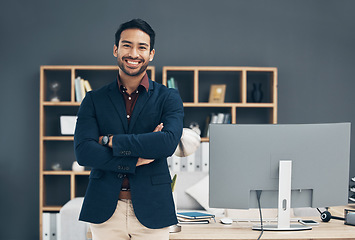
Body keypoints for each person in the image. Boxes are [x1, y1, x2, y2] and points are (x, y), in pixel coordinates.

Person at [74, 18, 184, 240]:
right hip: (105, 210)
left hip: (153, 209)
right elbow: (84, 152)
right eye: (127, 45)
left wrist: (110, 141)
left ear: (151, 54)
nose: (134, 53)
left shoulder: (168, 98)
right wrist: (135, 159)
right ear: (116, 49)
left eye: (142, 47)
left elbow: (167, 143)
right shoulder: (94, 99)